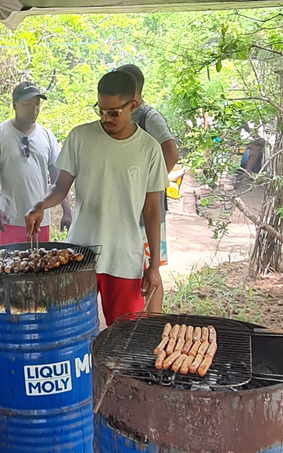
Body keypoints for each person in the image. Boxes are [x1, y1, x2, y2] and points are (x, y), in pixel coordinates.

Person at [25, 71, 168, 326]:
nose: (106, 118)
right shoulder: (80, 138)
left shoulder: (149, 149)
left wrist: (154, 266)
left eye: (114, 112)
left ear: (132, 106)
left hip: (125, 257)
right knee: (73, 330)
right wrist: (40, 205)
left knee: (125, 335)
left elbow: (152, 210)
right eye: (101, 110)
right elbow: (60, 187)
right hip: (80, 255)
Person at [116, 64, 179, 313]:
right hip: (125, 208)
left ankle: (152, 324)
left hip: (147, 209)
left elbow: (171, 152)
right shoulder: (121, 116)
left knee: (150, 267)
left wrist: (148, 186)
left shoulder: (148, 117)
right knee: (131, 266)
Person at [0, 82, 68, 245]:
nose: (34, 109)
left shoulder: (47, 136)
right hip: (9, 219)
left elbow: (58, 178)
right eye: (27, 104)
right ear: (15, 105)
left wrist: (66, 210)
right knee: (9, 265)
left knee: (40, 265)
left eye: (37, 104)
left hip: (40, 219)